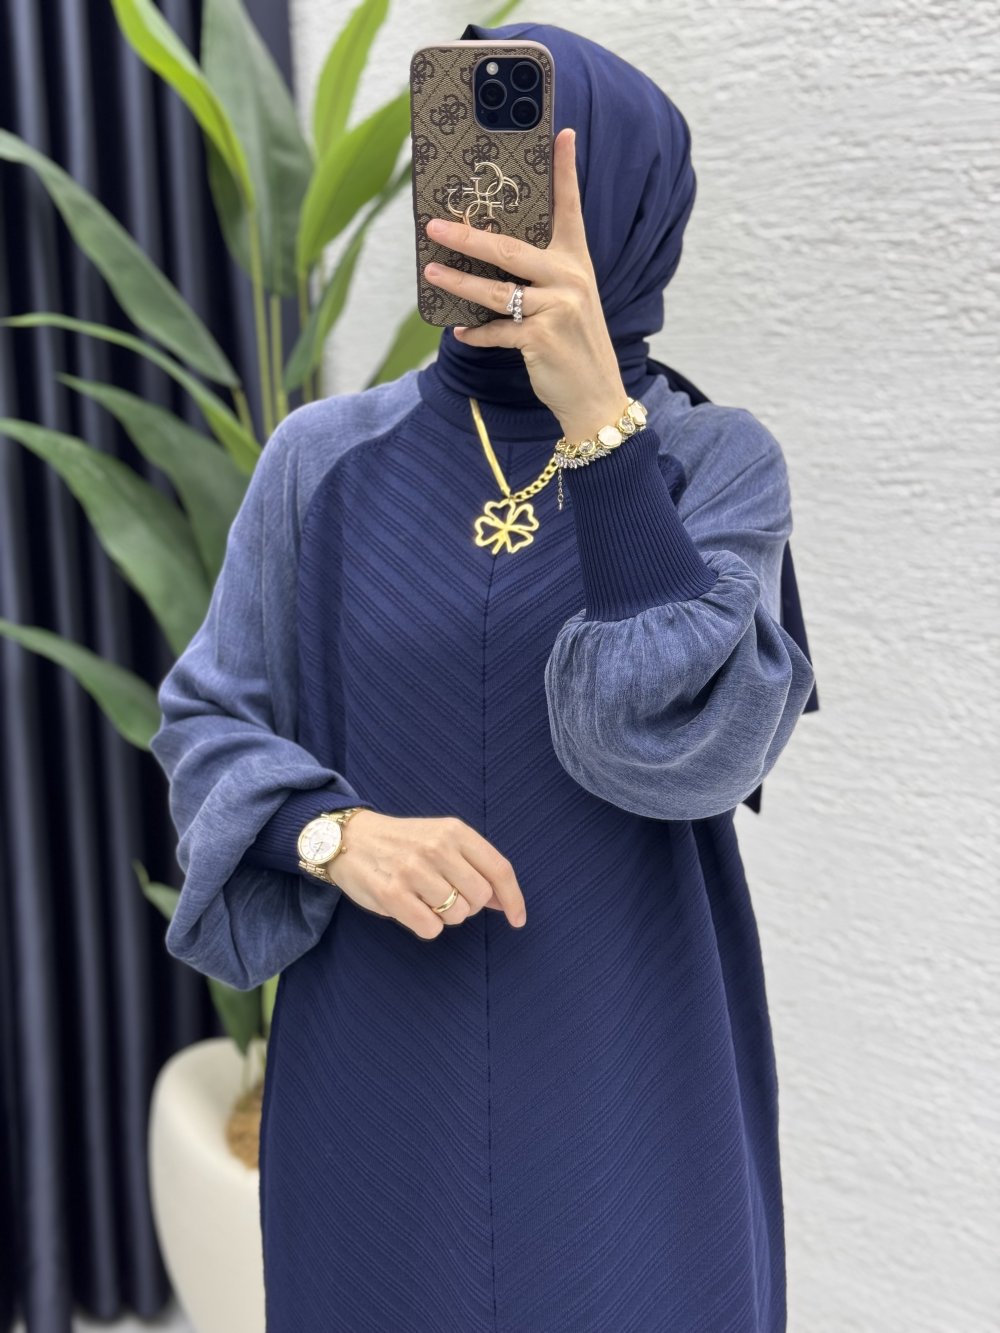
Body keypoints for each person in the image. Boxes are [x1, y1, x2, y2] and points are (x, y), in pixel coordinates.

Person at [149, 20, 818, 1332]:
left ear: (623, 203)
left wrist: (601, 433)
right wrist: (330, 832)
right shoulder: (321, 460)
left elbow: (683, 750)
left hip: (630, 1057)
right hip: (377, 1058)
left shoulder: (713, 465)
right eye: (457, 156)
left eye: (537, 172)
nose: (481, 201)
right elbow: (209, 716)